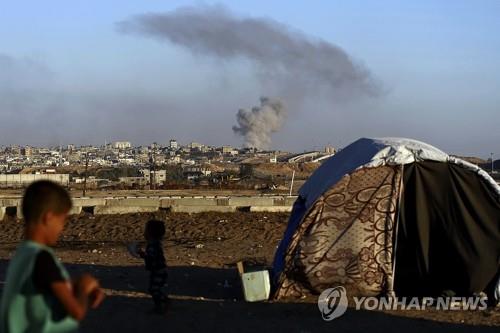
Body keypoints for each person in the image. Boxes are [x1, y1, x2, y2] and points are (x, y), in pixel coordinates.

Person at [0, 181, 104, 333]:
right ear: (48, 218)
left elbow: (45, 284)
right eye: (62, 220)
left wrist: (76, 285)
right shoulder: (42, 258)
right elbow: (77, 312)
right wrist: (83, 286)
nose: (62, 228)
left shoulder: (24, 253)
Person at [137, 220, 169, 314]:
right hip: (159, 271)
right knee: (154, 289)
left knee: (154, 289)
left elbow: (151, 258)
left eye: (146, 231)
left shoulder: (152, 246)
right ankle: (160, 304)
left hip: (158, 271)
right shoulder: (155, 244)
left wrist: (142, 254)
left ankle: (162, 304)